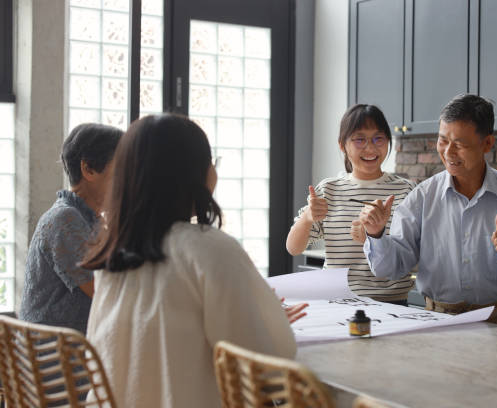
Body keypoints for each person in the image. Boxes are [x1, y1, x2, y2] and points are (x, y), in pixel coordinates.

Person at [81, 114, 303, 408]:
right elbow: (267, 367)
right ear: (194, 174)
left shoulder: (112, 255)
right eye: (211, 162)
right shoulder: (209, 248)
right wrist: (263, 318)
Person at [361, 94, 497, 327]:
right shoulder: (423, 197)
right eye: (443, 140)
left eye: (460, 144)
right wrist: (376, 234)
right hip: (438, 322)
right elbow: (390, 268)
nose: (448, 152)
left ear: (487, 143)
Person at [286, 104, 416, 304]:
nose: (370, 148)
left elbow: (413, 256)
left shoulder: (406, 191)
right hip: (337, 302)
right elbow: (293, 248)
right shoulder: (328, 189)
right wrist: (307, 218)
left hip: (391, 303)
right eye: (359, 139)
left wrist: (373, 239)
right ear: (342, 145)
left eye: (378, 138)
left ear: (388, 141)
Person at [19, 123, 122, 334]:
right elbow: (106, 292)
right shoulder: (65, 219)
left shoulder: (86, 219)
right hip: (55, 358)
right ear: (88, 169)